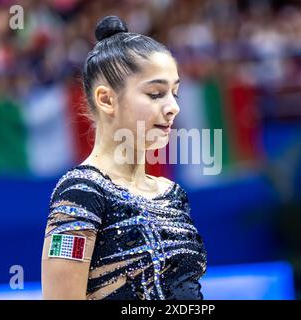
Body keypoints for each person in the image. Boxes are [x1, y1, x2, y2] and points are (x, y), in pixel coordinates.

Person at [41, 15, 207, 300]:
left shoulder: (172, 194)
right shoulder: (81, 194)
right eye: (156, 94)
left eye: (175, 93)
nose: (173, 108)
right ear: (106, 99)